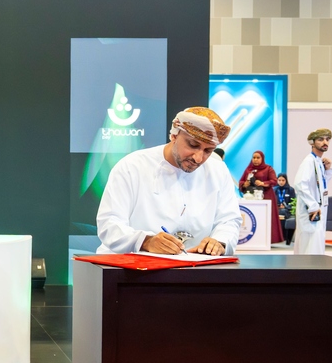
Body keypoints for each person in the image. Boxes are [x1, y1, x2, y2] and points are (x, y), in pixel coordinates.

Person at [96, 106, 242, 255]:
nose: (198, 158)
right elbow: (109, 224)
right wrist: (145, 241)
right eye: (193, 145)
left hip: (193, 265)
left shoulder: (218, 171)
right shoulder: (132, 167)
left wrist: (219, 242)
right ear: (174, 135)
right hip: (130, 265)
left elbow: (229, 220)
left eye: (208, 151)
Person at [292, 128, 332, 255]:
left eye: (327, 139)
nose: (325, 142)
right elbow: (300, 184)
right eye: (320, 139)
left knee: (316, 244)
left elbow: (320, 185)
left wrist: (327, 170)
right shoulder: (309, 161)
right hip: (310, 211)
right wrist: (312, 205)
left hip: (318, 209)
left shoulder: (318, 161)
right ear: (312, 142)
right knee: (309, 246)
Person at [239, 150, 283, 244]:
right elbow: (241, 181)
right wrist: (244, 184)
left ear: (262, 158)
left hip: (266, 196)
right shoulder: (248, 169)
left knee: (266, 217)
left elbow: (274, 181)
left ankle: (268, 239)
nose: (255, 160)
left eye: (258, 158)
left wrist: (263, 183)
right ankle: (255, 238)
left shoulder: (268, 169)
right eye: (254, 157)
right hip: (251, 197)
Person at [274, 173, 296, 243]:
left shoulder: (290, 189)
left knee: (283, 211)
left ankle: (284, 236)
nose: (281, 182)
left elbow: (293, 202)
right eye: (279, 180)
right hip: (276, 210)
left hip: (287, 210)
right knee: (279, 212)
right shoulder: (274, 189)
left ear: (286, 180)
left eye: (283, 180)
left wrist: (286, 206)